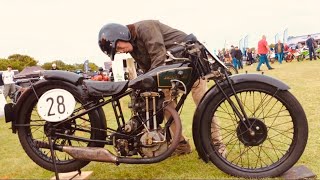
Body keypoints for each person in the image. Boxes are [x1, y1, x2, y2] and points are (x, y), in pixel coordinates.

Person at [98, 20, 225, 156]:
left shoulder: (146, 28)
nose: (121, 51)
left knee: (204, 103)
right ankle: (180, 144)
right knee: (166, 106)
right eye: (117, 51)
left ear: (121, 36)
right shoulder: (133, 47)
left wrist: (145, 82)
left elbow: (159, 56)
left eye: (118, 47)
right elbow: (147, 68)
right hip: (172, 72)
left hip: (190, 64)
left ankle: (216, 144)